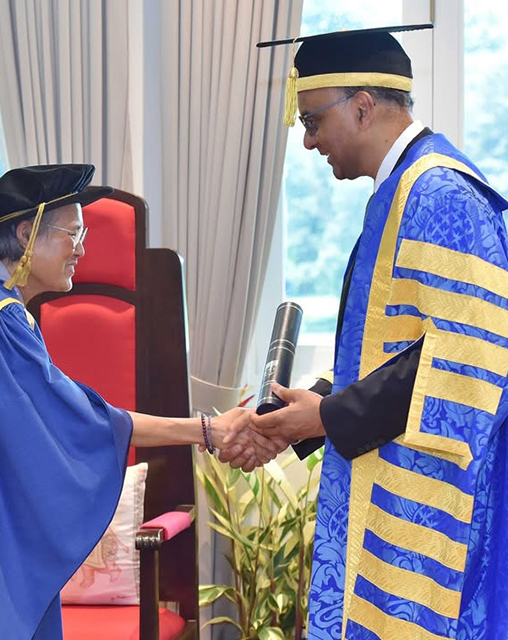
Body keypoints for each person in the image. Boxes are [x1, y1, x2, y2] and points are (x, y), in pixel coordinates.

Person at [0, 164, 278, 639]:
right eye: (72, 234)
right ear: (26, 235)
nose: (82, 249)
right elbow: (89, 424)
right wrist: (206, 430)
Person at [242, 25, 508, 640]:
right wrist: (312, 407)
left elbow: (468, 359)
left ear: (362, 106)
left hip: (428, 510)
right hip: (387, 481)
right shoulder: (400, 190)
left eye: (312, 121)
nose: (308, 142)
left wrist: (330, 416)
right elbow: (397, 350)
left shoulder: (441, 192)